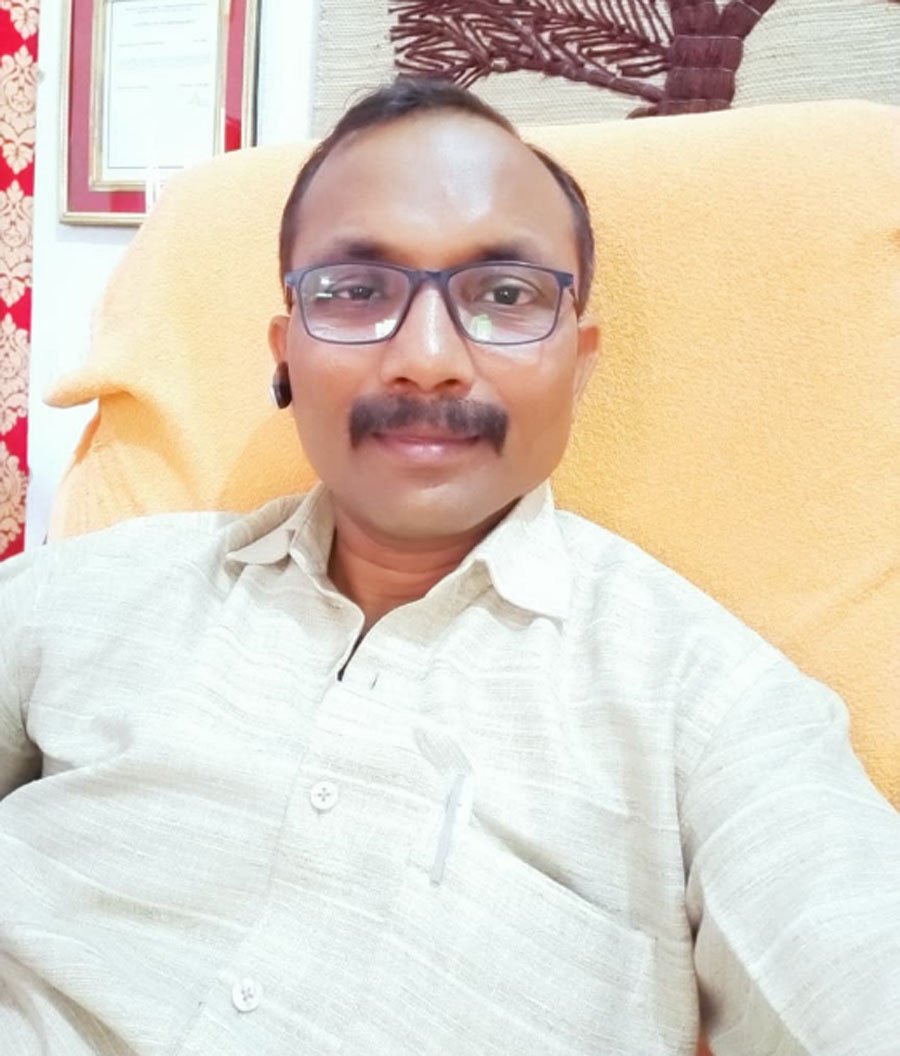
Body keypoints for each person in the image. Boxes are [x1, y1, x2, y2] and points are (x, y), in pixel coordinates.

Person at [0, 79, 897, 1056]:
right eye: (357, 291)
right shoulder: (83, 596)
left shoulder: (712, 709)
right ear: (285, 355)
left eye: (505, 295)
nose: (426, 359)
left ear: (580, 363)